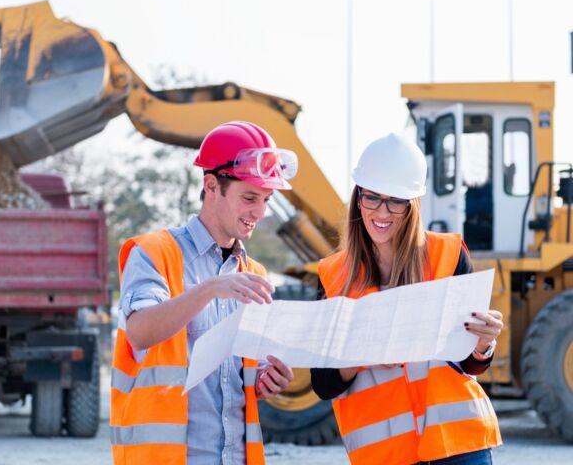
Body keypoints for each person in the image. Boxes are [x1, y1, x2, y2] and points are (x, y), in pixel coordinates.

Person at [111, 121, 296, 465]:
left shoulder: (252, 274)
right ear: (211, 185)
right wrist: (210, 289)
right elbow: (139, 333)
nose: (260, 212)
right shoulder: (154, 254)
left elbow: (229, 381)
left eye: (267, 199)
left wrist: (265, 382)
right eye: (250, 197)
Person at [311, 133, 503, 465]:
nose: (381, 211)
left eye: (395, 201)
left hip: (458, 446)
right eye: (372, 197)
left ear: (411, 204)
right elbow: (323, 383)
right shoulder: (333, 277)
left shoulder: (449, 256)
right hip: (385, 454)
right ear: (359, 199)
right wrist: (363, 355)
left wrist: (484, 344)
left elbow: (468, 364)